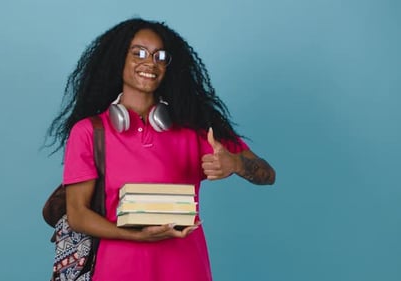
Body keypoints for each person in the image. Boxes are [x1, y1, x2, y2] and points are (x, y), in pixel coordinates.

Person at [47, 18, 275, 281]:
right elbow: (77, 215)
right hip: (117, 272)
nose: (151, 63)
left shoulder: (196, 128)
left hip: (187, 271)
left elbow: (267, 174)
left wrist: (236, 164)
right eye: (139, 53)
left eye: (160, 56)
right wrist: (135, 235)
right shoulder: (89, 132)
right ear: (118, 59)